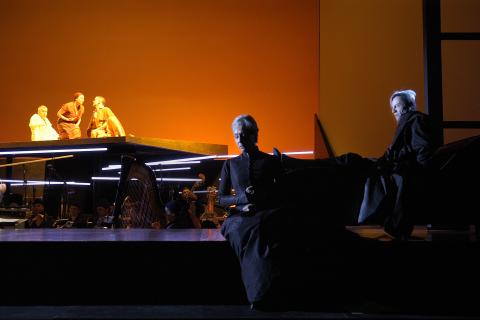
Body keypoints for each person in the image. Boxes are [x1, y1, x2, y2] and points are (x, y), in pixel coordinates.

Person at [219, 114, 285, 309]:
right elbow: (222, 199)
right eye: (236, 136)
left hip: (266, 213)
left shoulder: (271, 161)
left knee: (261, 230)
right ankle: (259, 292)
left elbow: (283, 193)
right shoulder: (230, 164)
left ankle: (259, 293)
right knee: (249, 232)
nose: (239, 140)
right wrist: (242, 200)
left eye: (244, 135)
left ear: (255, 135)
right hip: (240, 216)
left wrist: (262, 198)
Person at [358, 89, 438, 239]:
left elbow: (423, 150)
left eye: (397, 105)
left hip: (402, 170)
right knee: (355, 162)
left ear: (409, 106)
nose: (394, 110)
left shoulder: (416, 120)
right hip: (391, 166)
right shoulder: (406, 123)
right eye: (392, 107)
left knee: (352, 162)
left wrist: (422, 173)